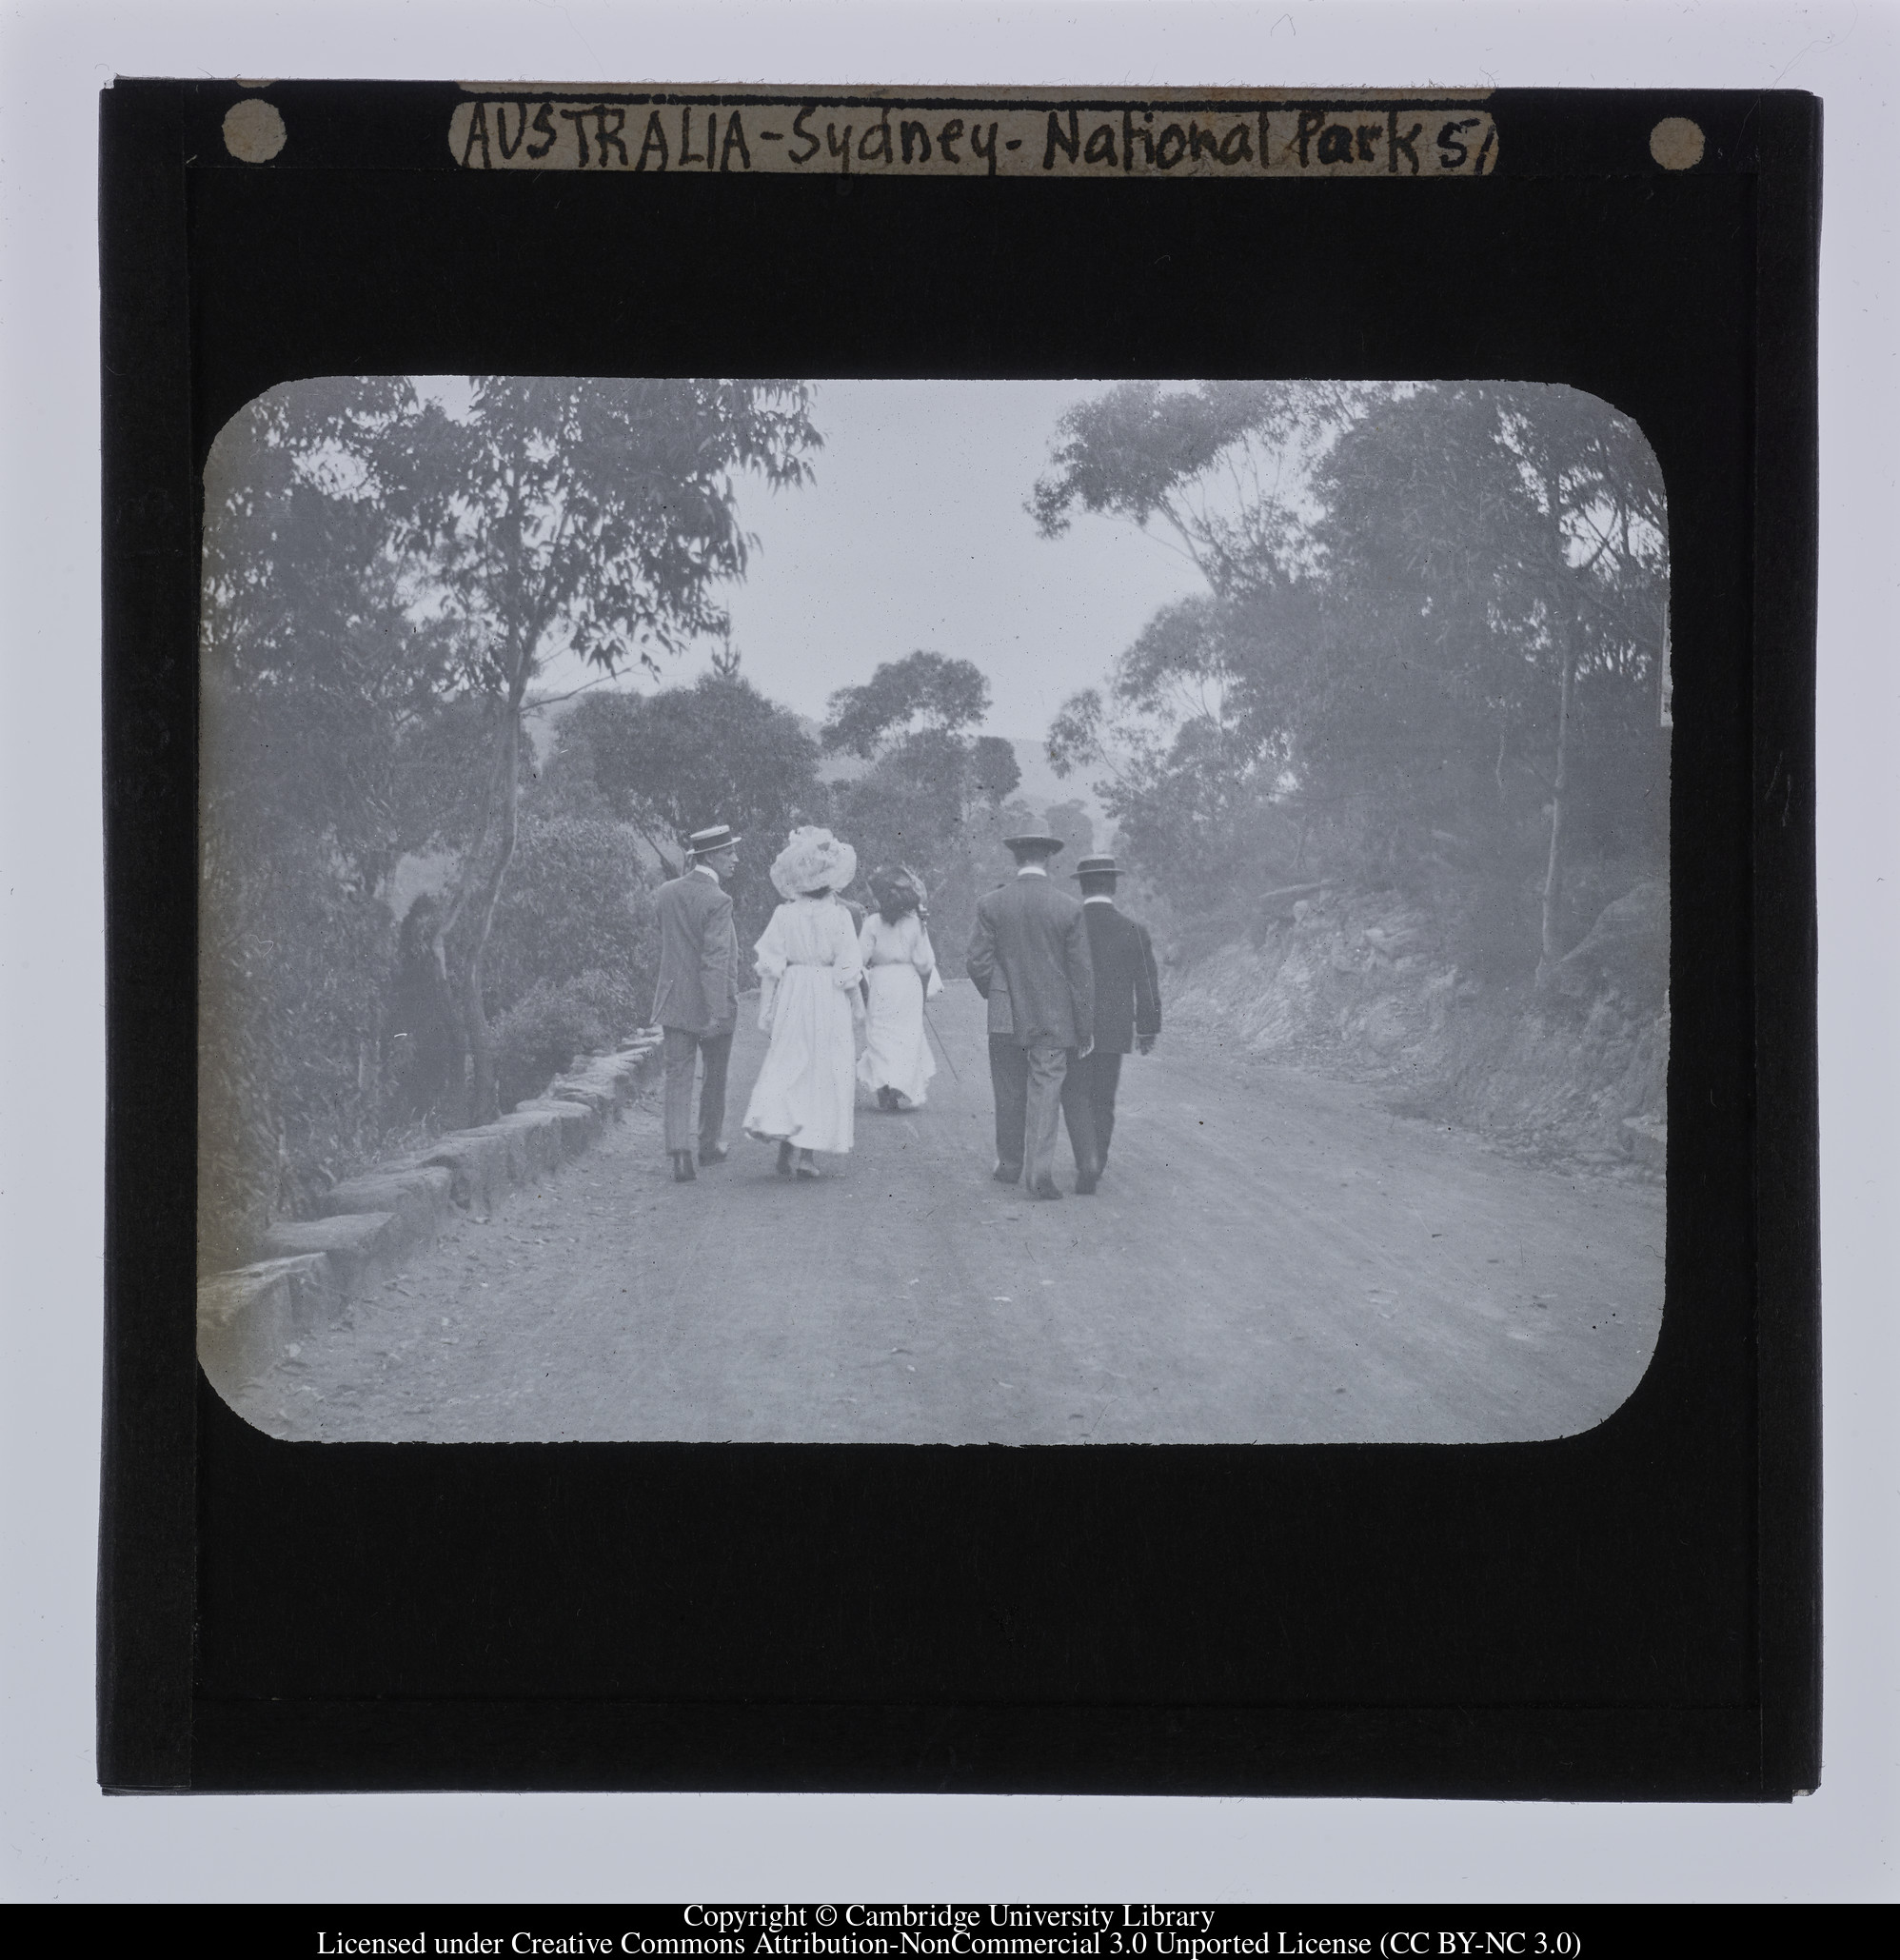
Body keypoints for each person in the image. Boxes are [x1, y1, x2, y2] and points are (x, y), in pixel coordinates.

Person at [965, 831, 1095, 1199]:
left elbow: (976, 962)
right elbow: (1082, 974)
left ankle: (1008, 1166)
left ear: (1016, 860)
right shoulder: (1068, 908)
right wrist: (1084, 1028)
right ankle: (1038, 1173)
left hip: (1005, 1016)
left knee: (1007, 1091)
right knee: (1045, 1091)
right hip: (1054, 1019)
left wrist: (1000, 993)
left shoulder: (991, 904)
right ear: (1049, 860)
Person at [742, 826, 865, 1180]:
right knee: (822, 1070)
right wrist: (857, 1005)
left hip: (794, 991)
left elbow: (771, 966)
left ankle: (784, 1140)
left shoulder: (785, 914)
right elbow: (847, 968)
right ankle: (807, 1155)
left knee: (789, 1062)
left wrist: (766, 1007)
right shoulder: (839, 916)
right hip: (827, 994)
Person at [1060, 855, 1162, 1191]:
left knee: (1075, 1094)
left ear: (1082, 885)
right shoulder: (1134, 930)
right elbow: (1147, 986)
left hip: (1073, 1027)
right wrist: (1148, 1029)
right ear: (1114, 885)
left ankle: (1085, 1158)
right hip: (1115, 1030)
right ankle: (1097, 1162)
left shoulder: (1066, 926)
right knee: (1104, 1098)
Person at [650, 823, 741, 1184]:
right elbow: (715, 959)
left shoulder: (666, 892)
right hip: (710, 1003)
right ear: (709, 857)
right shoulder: (719, 900)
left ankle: (679, 1155)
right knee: (714, 1077)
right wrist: (718, 1011)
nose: (734, 859)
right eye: (728, 852)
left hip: (674, 999)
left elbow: (670, 941)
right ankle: (708, 1144)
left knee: (678, 1076)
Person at [857, 866, 942, 1112]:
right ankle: (898, 1082)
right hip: (907, 983)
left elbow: (860, 957)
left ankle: (885, 1084)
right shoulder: (915, 924)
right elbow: (925, 961)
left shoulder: (873, 923)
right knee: (906, 1034)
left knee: (881, 1033)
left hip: (881, 981)